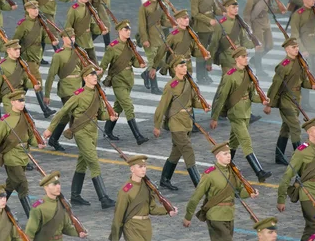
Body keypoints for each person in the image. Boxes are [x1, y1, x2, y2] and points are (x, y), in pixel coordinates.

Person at [184, 142, 258, 241]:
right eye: (225, 154)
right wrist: (188, 216)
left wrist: (250, 193)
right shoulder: (210, 174)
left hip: (229, 215)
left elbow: (238, 192)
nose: (229, 156)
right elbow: (195, 197)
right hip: (215, 217)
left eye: (229, 154)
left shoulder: (233, 172)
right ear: (218, 156)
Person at [43, 65, 117, 209]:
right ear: (85, 78)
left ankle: (75, 196)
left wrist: (111, 116)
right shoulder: (78, 95)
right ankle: (103, 198)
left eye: (95, 75)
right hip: (81, 132)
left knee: (82, 163)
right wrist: (50, 129)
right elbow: (62, 112)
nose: (95, 77)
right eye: (91, 75)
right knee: (94, 163)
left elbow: (100, 114)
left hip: (92, 132)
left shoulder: (97, 93)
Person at [210, 47, 272, 182]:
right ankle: (259, 171)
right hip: (235, 114)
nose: (246, 59)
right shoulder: (230, 76)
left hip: (245, 113)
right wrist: (214, 117)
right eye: (243, 57)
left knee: (233, 143)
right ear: (237, 58)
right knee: (246, 142)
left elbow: (251, 96)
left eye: (247, 56)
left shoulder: (248, 74)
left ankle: (226, 166)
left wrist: (263, 100)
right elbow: (222, 98)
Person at [0, 90, 43, 217]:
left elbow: (30, 136)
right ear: (12, 102)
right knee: (22, 183)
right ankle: (31, 217)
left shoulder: (26, 117)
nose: (22, 103)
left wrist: (38, 143)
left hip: (23, 156)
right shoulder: (6, 120)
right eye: (20, 101)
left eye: (23, 100)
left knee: (11, 185)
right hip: (11, 156)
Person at [153, 56, 206, 190]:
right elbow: (162, 106)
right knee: (188, 150)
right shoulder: (171, 85)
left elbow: (193, 101)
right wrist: (157, 125)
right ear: (175, 68)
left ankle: (165, 179)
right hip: (176, 122)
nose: (184, 68)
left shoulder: (189, 82)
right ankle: (198, 183)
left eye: (185, 65)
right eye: (181, 66)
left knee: (176, 152)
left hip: (186, 121)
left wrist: (203, 106)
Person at [264, 37, 315, 164]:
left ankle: (279, 155)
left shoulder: (300, 63)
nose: (296, 49)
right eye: (293, 47)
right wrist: (269, 104)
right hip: (286, 99)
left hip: (296, 99)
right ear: (287, 49)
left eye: (297, 46)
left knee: (286, 128)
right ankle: (299, 158)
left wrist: (311, 85)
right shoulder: (284, 66)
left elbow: (303, 81)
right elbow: (275, 85)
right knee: (295, 127)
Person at [100, 20, 148, 144]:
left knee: (118, 107)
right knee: (128, 106)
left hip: (128, 79)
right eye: (125, 30)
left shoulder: (131, 45)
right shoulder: (113, 46)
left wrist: (141, 64)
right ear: (119, 31)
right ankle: (138, 136)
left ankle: (108, 130)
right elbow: (104, 64)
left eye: (129, 30)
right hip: (118, 80)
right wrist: (97, 78)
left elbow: (133, 61)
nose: (128, 32)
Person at [12, 0, 58, 117]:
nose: (36, 10)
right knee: (37, 81)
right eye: (33, 9)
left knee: (25, 85)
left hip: (36, 56)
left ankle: (15, 103)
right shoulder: (23, 24)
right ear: (27, 10)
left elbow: (43, 38)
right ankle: (45, 109)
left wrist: (53, 40)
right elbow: (15, 40)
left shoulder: (40, 22)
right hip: (28, 58)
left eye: (37, 8)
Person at [44, 28, 84, 151]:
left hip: (78, 88)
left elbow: (83, 71)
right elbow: (51, 75)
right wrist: (47, 94)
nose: (72, 39)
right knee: (75, 114)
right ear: (63, 39)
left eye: (73, 37)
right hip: (66, 89)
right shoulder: (59, 55)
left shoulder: (78, 52)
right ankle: (80, 139)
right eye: (69, 37)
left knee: (66, 116)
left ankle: (53, 139)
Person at [0, 40, 39, 123]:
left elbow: (25, 81)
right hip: (9, 97)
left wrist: (34, 85)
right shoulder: (2, 66)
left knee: (26, 122)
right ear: (8, 51)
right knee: (14, 122)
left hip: (20, 96)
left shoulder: (22, 64)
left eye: (19, 49)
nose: (18, 51)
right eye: (15, 49)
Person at [137, 0, 172, 94]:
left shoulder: (161, 5)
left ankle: (146, 74)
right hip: (149, 38)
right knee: (152, 63)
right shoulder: (145, 7)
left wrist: (173, 23)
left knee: (161, 62)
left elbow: (163, 21)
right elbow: (142, 25)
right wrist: (145, 39)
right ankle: (154, 87)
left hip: (159, 37)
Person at [190, 0, 221, 84]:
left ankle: (205, 74)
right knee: (201, 52)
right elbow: (195, 14)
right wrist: (209, 20)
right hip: (201, 26)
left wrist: (223, 11)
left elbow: (215, 8)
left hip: (210, 27)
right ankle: (200, 76)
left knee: (208, 52)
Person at [243, 0, 275, 77]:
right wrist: (249, 27)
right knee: (259, 46)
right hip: (256, 22)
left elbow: (270, 5)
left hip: (266, 20)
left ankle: (254, 60)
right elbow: (247, 12)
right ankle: (259, 70)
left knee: (269, 45)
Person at [65, 0, 107, 64]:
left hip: (88, 41)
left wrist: (101, 30)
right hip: (79, 40)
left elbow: (92, 24)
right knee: (80, 64)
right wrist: (72, 37)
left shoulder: (89, 8)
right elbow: (68, 25)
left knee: (95, 65)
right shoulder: (73, 9)